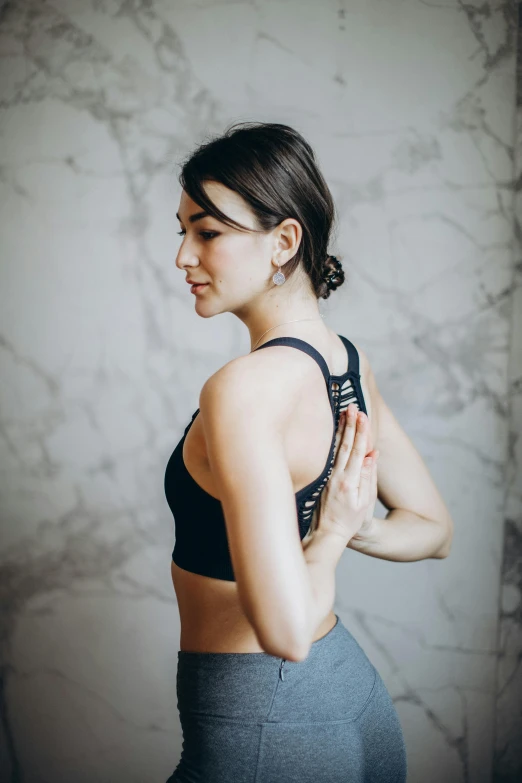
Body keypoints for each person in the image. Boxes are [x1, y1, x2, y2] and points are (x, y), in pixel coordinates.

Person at [163, 122, 453, 782]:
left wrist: (330, 535)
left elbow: (286, 635)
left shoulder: (241, 391)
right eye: (180, 230)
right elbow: (434, 528)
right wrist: (352, 524)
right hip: (350, 697)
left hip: (264, 723)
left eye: (206, 232)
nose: (182, 255)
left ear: (284, 241)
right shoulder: (345, 360)